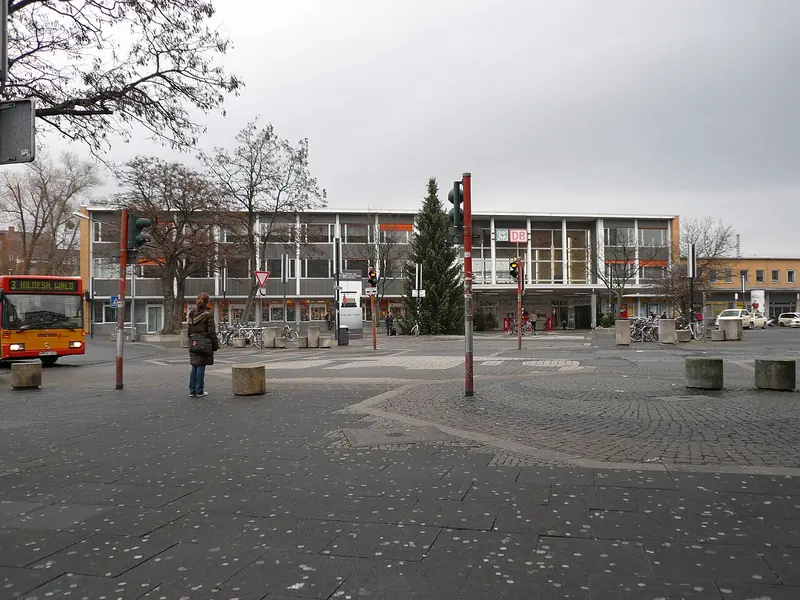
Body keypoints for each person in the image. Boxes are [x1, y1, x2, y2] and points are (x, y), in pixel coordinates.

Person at [188, 292, 219, 398]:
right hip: (204, 342)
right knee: (201, 365)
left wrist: (191, 340)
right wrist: (215, 345)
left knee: (194, 365)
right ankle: (199, 390)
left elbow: (189, 330)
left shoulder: (191, 313)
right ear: (207, 301)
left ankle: (192, 390)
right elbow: (211, 331)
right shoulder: (208, 314)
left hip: (194, 341)